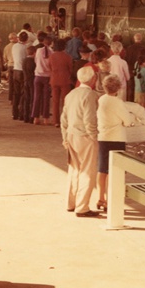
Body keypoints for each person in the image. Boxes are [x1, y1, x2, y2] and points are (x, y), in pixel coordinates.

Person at [60, 66, 101, 217]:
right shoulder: (90, 95)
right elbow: (89, 119)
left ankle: (70, 203)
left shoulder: (71, 94)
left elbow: (63, 118)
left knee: (74, 170)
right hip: (85, 136)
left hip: (71, 135)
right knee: (87, 172)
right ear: (93, 79)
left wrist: (65, 137)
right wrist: (94, 136)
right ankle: (82, 207)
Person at [95, 74, 134, 211]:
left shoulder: (101, 99)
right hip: (117, 138)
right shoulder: (118, 102)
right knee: (114, 171)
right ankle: (111, 199)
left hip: (103, 137)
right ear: (118, 88)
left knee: (102, 169)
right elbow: (128, 121)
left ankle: (101, 197)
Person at [49, 38, 74, 127]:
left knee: (55, 101)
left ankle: (56, 121)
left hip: (54, 80)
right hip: (65, 80)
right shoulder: (67, 57)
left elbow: (50, 67)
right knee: (65, 101)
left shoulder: (51, 56)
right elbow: (71, 69)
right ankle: (64, 120)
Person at [32, 35, 53, 125]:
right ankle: (46, 119)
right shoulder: (52, 53)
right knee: (46, 98)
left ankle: (36, 118)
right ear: (51, 43)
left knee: (37, 97)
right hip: (47, 77)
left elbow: (36, 61)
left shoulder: (38, 51)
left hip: (38, 76)